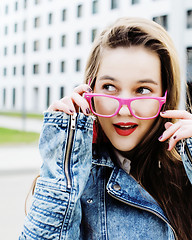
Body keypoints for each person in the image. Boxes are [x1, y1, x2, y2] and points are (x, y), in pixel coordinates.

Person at [19, 17, 192, 240]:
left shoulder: (184, 174)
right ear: (89, 91)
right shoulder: (72, 179)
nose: (124, 110)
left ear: (165, 97)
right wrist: (63, 154)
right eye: (109, 87)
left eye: (143, 90)